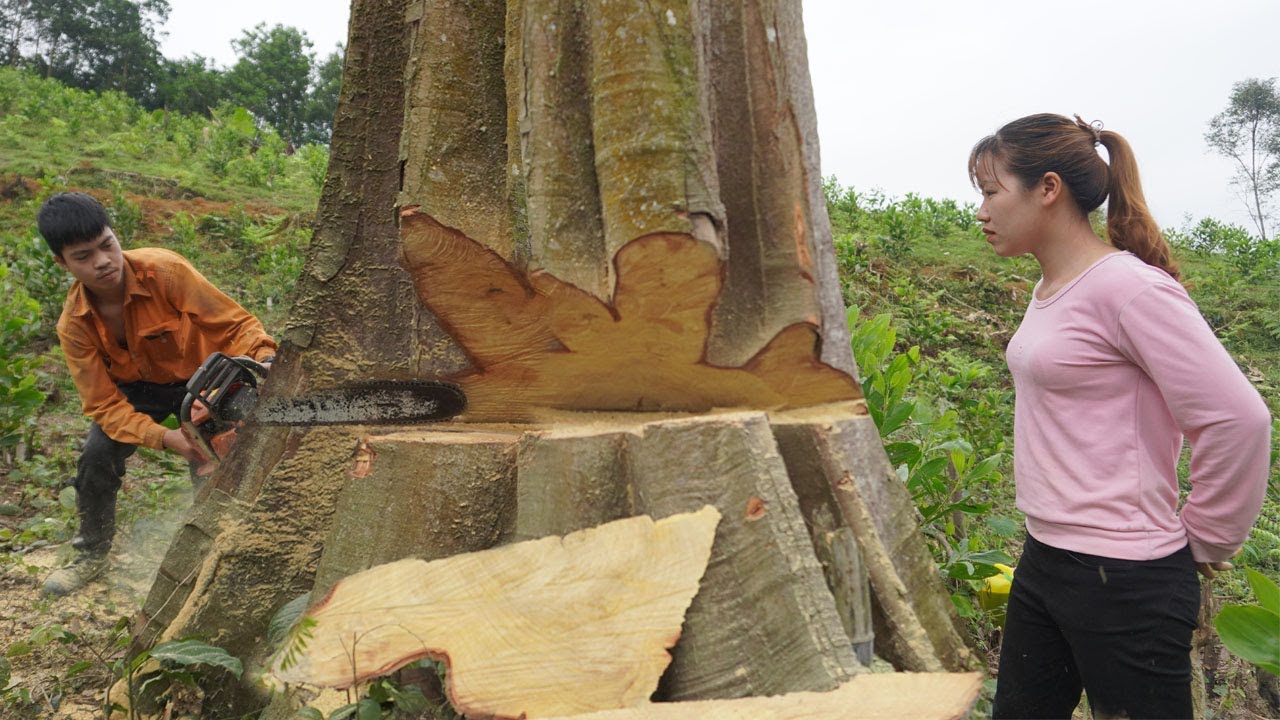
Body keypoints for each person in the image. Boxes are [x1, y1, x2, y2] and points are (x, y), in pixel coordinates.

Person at [969, 114, 1272, 719]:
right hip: (1046, 558)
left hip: (1127, 578)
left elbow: (1238, 418)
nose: (980, 211)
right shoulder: (1052, 288)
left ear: (1048, 188)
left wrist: (1208, 537)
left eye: (991, 191)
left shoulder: (1130, 289)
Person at [36, 191, 277, 596]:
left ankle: (213, 552)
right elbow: (103, 404)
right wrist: (167, 439)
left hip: (200, 378)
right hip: (135, 389)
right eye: (83, 256)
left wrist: (265, 358)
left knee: (216, 456)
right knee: (97, 454)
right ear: (62, 263)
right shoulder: (73, 325)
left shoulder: (164, 271)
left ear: (115, 236)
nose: (102, 262)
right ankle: (91, 553)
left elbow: (235, 326)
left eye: (106, 245)